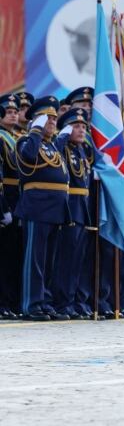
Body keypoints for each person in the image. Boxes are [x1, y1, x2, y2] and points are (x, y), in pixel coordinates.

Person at [15, 96, 70, 321]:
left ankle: (45, 301)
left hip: (55, 207)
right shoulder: (26, 142)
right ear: (36, 121)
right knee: (35, 260)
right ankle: (32, 304)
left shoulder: (51, 146)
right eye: (47, 118)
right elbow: (28, 158)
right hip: (37, 206)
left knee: (49, 260)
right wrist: (35, 132)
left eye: (54, 118)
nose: (52, 122)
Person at [51, 108, 92, 320]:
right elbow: (53, 157)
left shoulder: (81, 150)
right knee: (66, 259)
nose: (81, 130)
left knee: (78, 259)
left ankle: (75, 300)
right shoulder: (63, 147)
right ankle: (62, 302)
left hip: (82, 208)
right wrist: (62, 136)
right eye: (76, 126)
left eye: (84, 126)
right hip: (70, 208)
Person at [0, 94, 22, 319]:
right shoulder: (2, 138)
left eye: (16, 110)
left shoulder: (17, 137)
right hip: (7, 195)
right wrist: (3, 206)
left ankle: (12, 300)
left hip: (20, 198)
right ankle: (4, 302)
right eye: (8, 111)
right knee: (5, 255)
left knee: (15, 253)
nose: (14, 113)